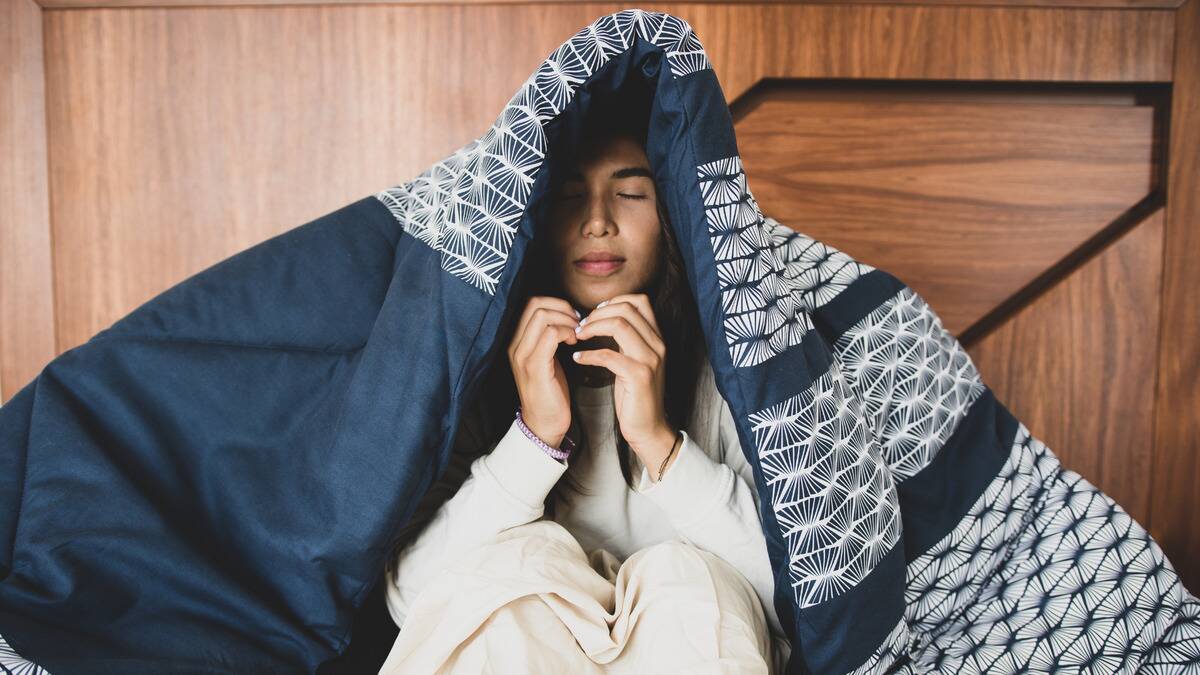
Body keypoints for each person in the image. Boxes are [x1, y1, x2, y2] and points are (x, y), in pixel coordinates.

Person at [379, 112, 791, 673]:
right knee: (519, 571)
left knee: (691, 582)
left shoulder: (737, 368)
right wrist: (534, 438)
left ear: (673, 212)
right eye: (570, 196)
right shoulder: (472, 368)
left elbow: (802, 596)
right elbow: (414, 601)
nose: (597, 222)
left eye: (630, 193)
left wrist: (658, 443)